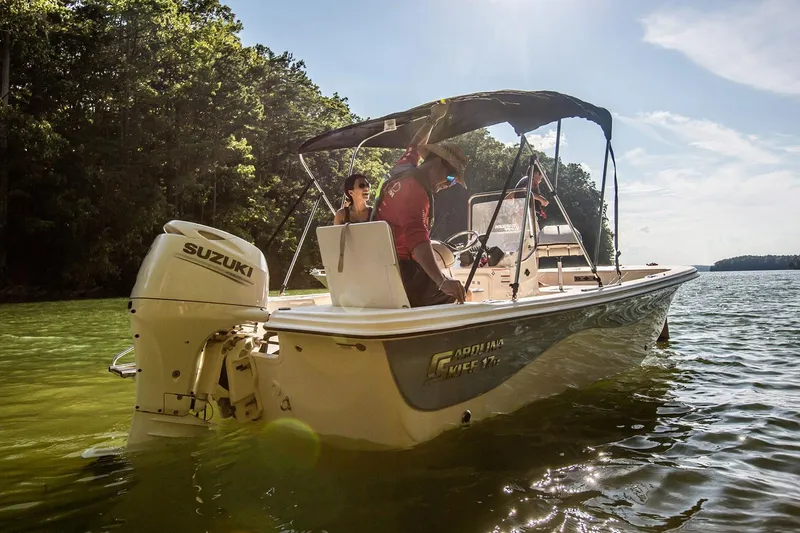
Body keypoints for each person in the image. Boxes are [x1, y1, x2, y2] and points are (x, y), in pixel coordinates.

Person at [372, 102, 469, 307]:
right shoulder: (415, 193)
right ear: (438, 163)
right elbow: (418, 244)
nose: (449, 185)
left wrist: (433, 119)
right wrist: (443, 281)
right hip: (404, 275)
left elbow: (415, 144)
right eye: (451, 177)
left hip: (381, 269)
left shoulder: (403, 169)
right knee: (459, 294)